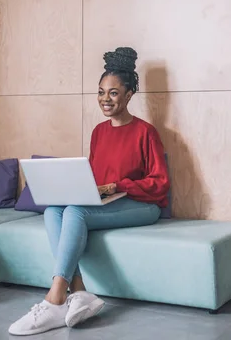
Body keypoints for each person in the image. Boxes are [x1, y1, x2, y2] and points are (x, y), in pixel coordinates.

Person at [9, 47, 171, 336]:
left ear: (129, 95)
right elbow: (94, 177)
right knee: (54, 209)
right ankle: (80, 292)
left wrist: (118, 186)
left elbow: (160, 184)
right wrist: (80, 188)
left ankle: (55, 297)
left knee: (75, 211)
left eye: (113, 93)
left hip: (144, 205)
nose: (104, 100)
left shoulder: (146, 132)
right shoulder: (98, 132)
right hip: (108, 202)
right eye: (100, 92)